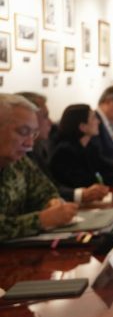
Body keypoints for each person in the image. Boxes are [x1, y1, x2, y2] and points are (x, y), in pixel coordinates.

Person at [0, 94, 77, 241]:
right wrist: (41, 220)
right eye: (23, 132)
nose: (29, 143)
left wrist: (52, 202)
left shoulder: (19, 162)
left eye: (33, 134)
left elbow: (46, 191)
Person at [48, 104, 113, 201]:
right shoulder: (64, 152)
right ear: (82, 127)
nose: (98, 122)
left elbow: (106, 168)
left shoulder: (90, 146)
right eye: (93, 118)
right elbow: (83, 183)